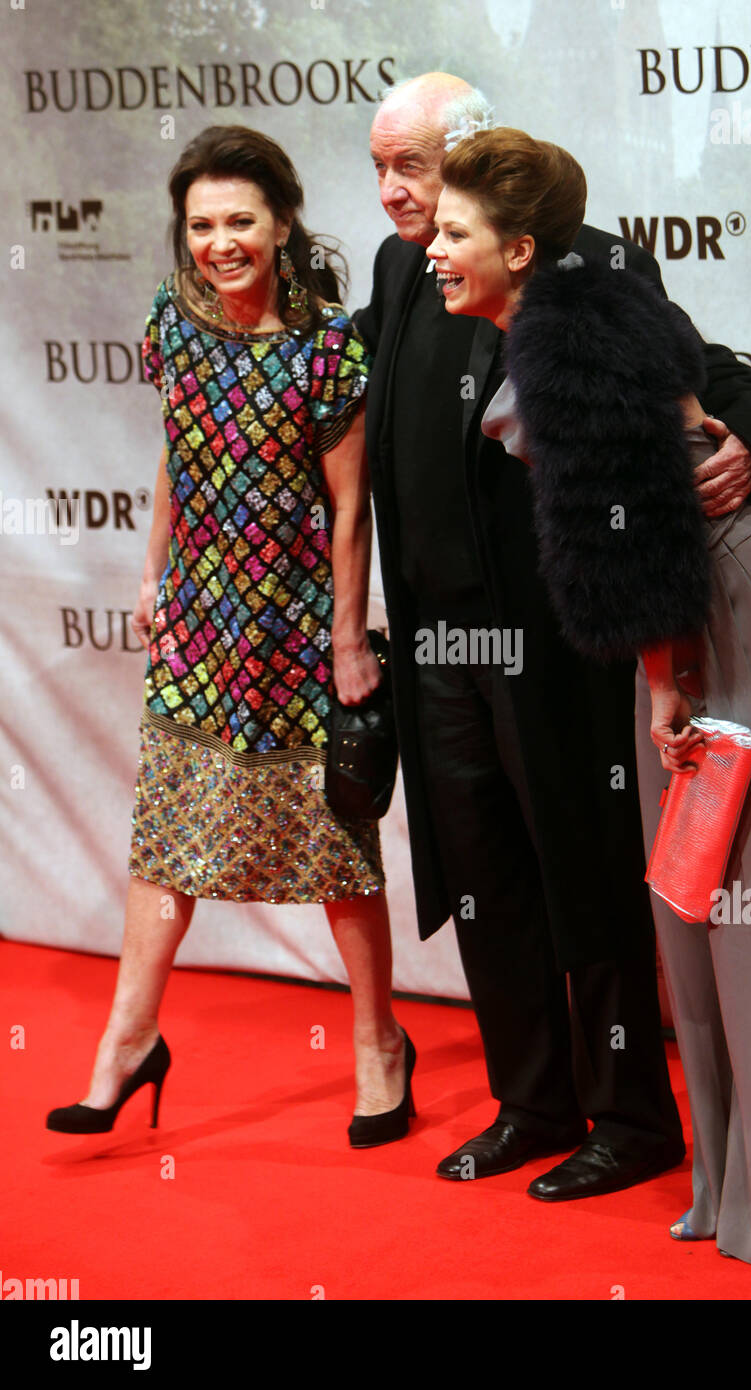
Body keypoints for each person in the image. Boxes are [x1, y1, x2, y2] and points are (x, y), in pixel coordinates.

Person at [356, 72, 751, 1201]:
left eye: (413, 166)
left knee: (581, 874)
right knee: (483, 881)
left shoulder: (585, 264)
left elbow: (711, 385)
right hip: (439, 646)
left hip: (552, 643)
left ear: (474, 155)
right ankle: (531, 1102)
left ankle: (630, 1118)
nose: (395, 194)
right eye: (380, 169)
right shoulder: (403, 267)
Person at [429, 125, 751, 1262]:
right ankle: (730, 1183)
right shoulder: (563, 314)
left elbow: (647, 534)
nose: (430, 247)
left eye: (453, 231)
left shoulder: (567, 350)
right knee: (693, 900)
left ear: (519, 248)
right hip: (687, 614)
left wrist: (668, 681)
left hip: (725, 611)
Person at [46, 125, 415, 1149]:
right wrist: (155, 570)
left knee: (335, 841)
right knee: (168, 836)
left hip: (298, 630)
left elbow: (351, 510)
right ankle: (128, 1040)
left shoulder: (330, 343)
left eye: (240, 221)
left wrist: (350, 637)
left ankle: (379, 1043)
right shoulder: (175, 320)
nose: (220, 242)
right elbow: (176, 453)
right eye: (202, 224)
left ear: (282, 222)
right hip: (201, 625)